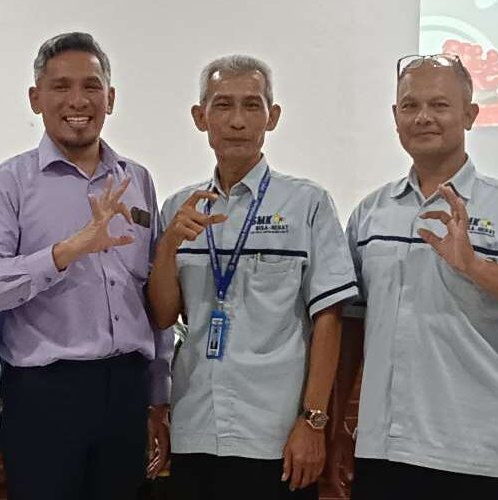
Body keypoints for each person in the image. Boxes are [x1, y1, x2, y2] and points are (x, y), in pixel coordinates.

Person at [343, 54, 498, 500]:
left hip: (476, 456)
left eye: (439, 104)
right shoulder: (370, 214)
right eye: (410, 106)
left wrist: (475, 266)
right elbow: (351, 325)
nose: (423, 117)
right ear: (395, 117)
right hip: (382, 452)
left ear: (470, 115)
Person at [0, 32, 168, 500]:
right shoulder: (6, 183)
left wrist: (158, 394)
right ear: (36, 98)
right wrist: (63, 253)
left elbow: (150, 295)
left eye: (91, 86)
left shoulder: (138, 180)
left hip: (127, 390)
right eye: (60, 87)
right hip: (45, 395)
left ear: (110, 98)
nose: (78, 100)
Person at [146, 55, 358, 500]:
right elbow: (164, 315)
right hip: (196, 424)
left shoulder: (307, 203)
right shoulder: (180, 207)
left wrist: (314, 422)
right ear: (200, 117)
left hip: (276, 434)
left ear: (272, 116)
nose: (237, 121)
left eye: (252, 105)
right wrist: (167, 246)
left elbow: (329, 320)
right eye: (222, 105)